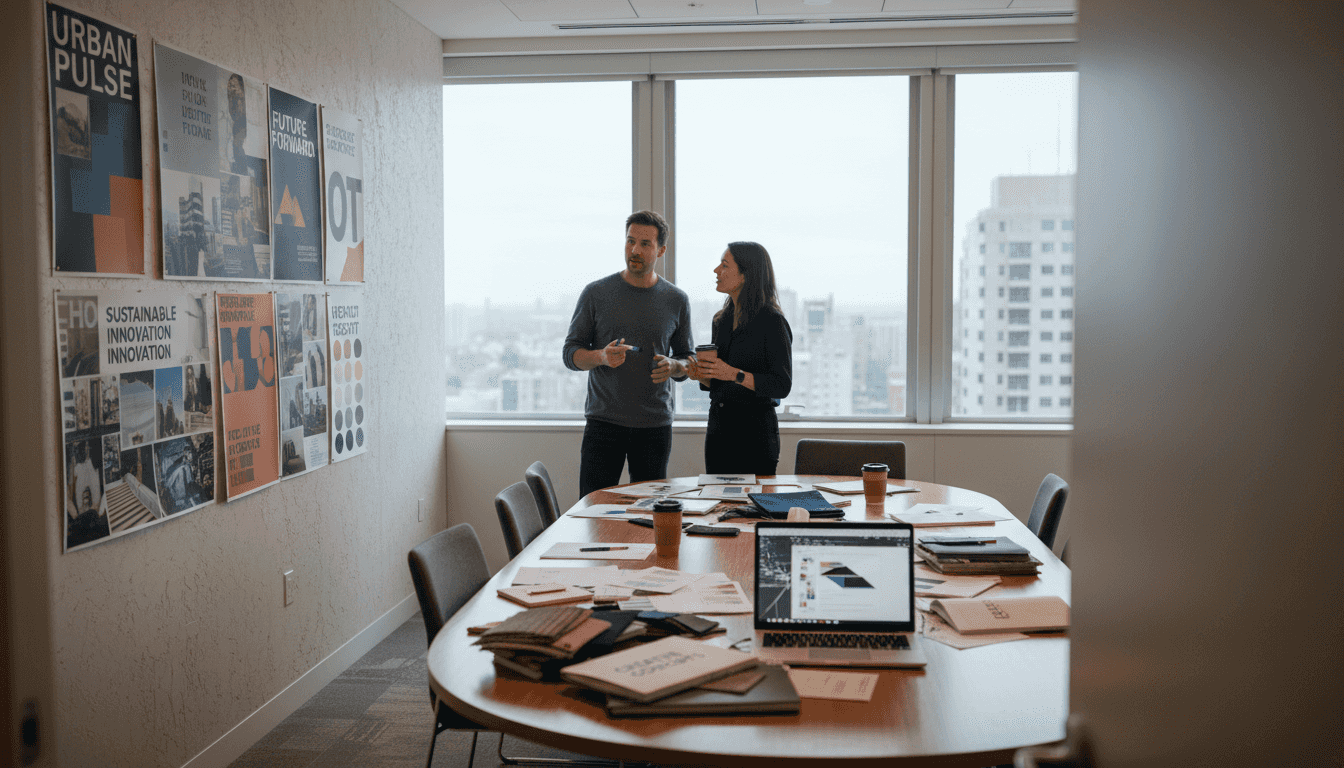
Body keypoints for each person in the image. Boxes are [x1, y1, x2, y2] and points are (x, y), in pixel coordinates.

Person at [564, 211, 695, 497]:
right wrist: (601, 357)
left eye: (645, 244)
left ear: (661, 250)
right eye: (630, 241)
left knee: (649, 516)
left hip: (654, 426)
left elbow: (690, 360)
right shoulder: (596, 293)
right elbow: (570, 354)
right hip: (603, 424)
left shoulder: (676, 300)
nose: (635, 250)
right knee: (593, 512)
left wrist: (674, 365)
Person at [689, 241, 793, 475]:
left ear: (746, 275)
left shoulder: (772, 321)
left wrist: (734, 374)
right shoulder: (721, 320)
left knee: (754, 508)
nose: (716, 270)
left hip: (754, 435)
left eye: (724, 265)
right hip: (718, 431)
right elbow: (717, 383)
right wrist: (702, 375)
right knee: (718, 504)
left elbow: (781, 385)